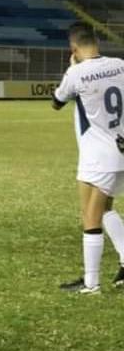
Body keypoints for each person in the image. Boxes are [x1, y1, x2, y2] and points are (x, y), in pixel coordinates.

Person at [53, 21, 124, 294]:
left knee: (90, 215)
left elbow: (56, 102)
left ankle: (91, 283)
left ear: (73, 48)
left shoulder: (77, 72)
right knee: (105, 208)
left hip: (97, 156)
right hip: (120, 149)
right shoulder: (119, 64)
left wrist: (72, 68)